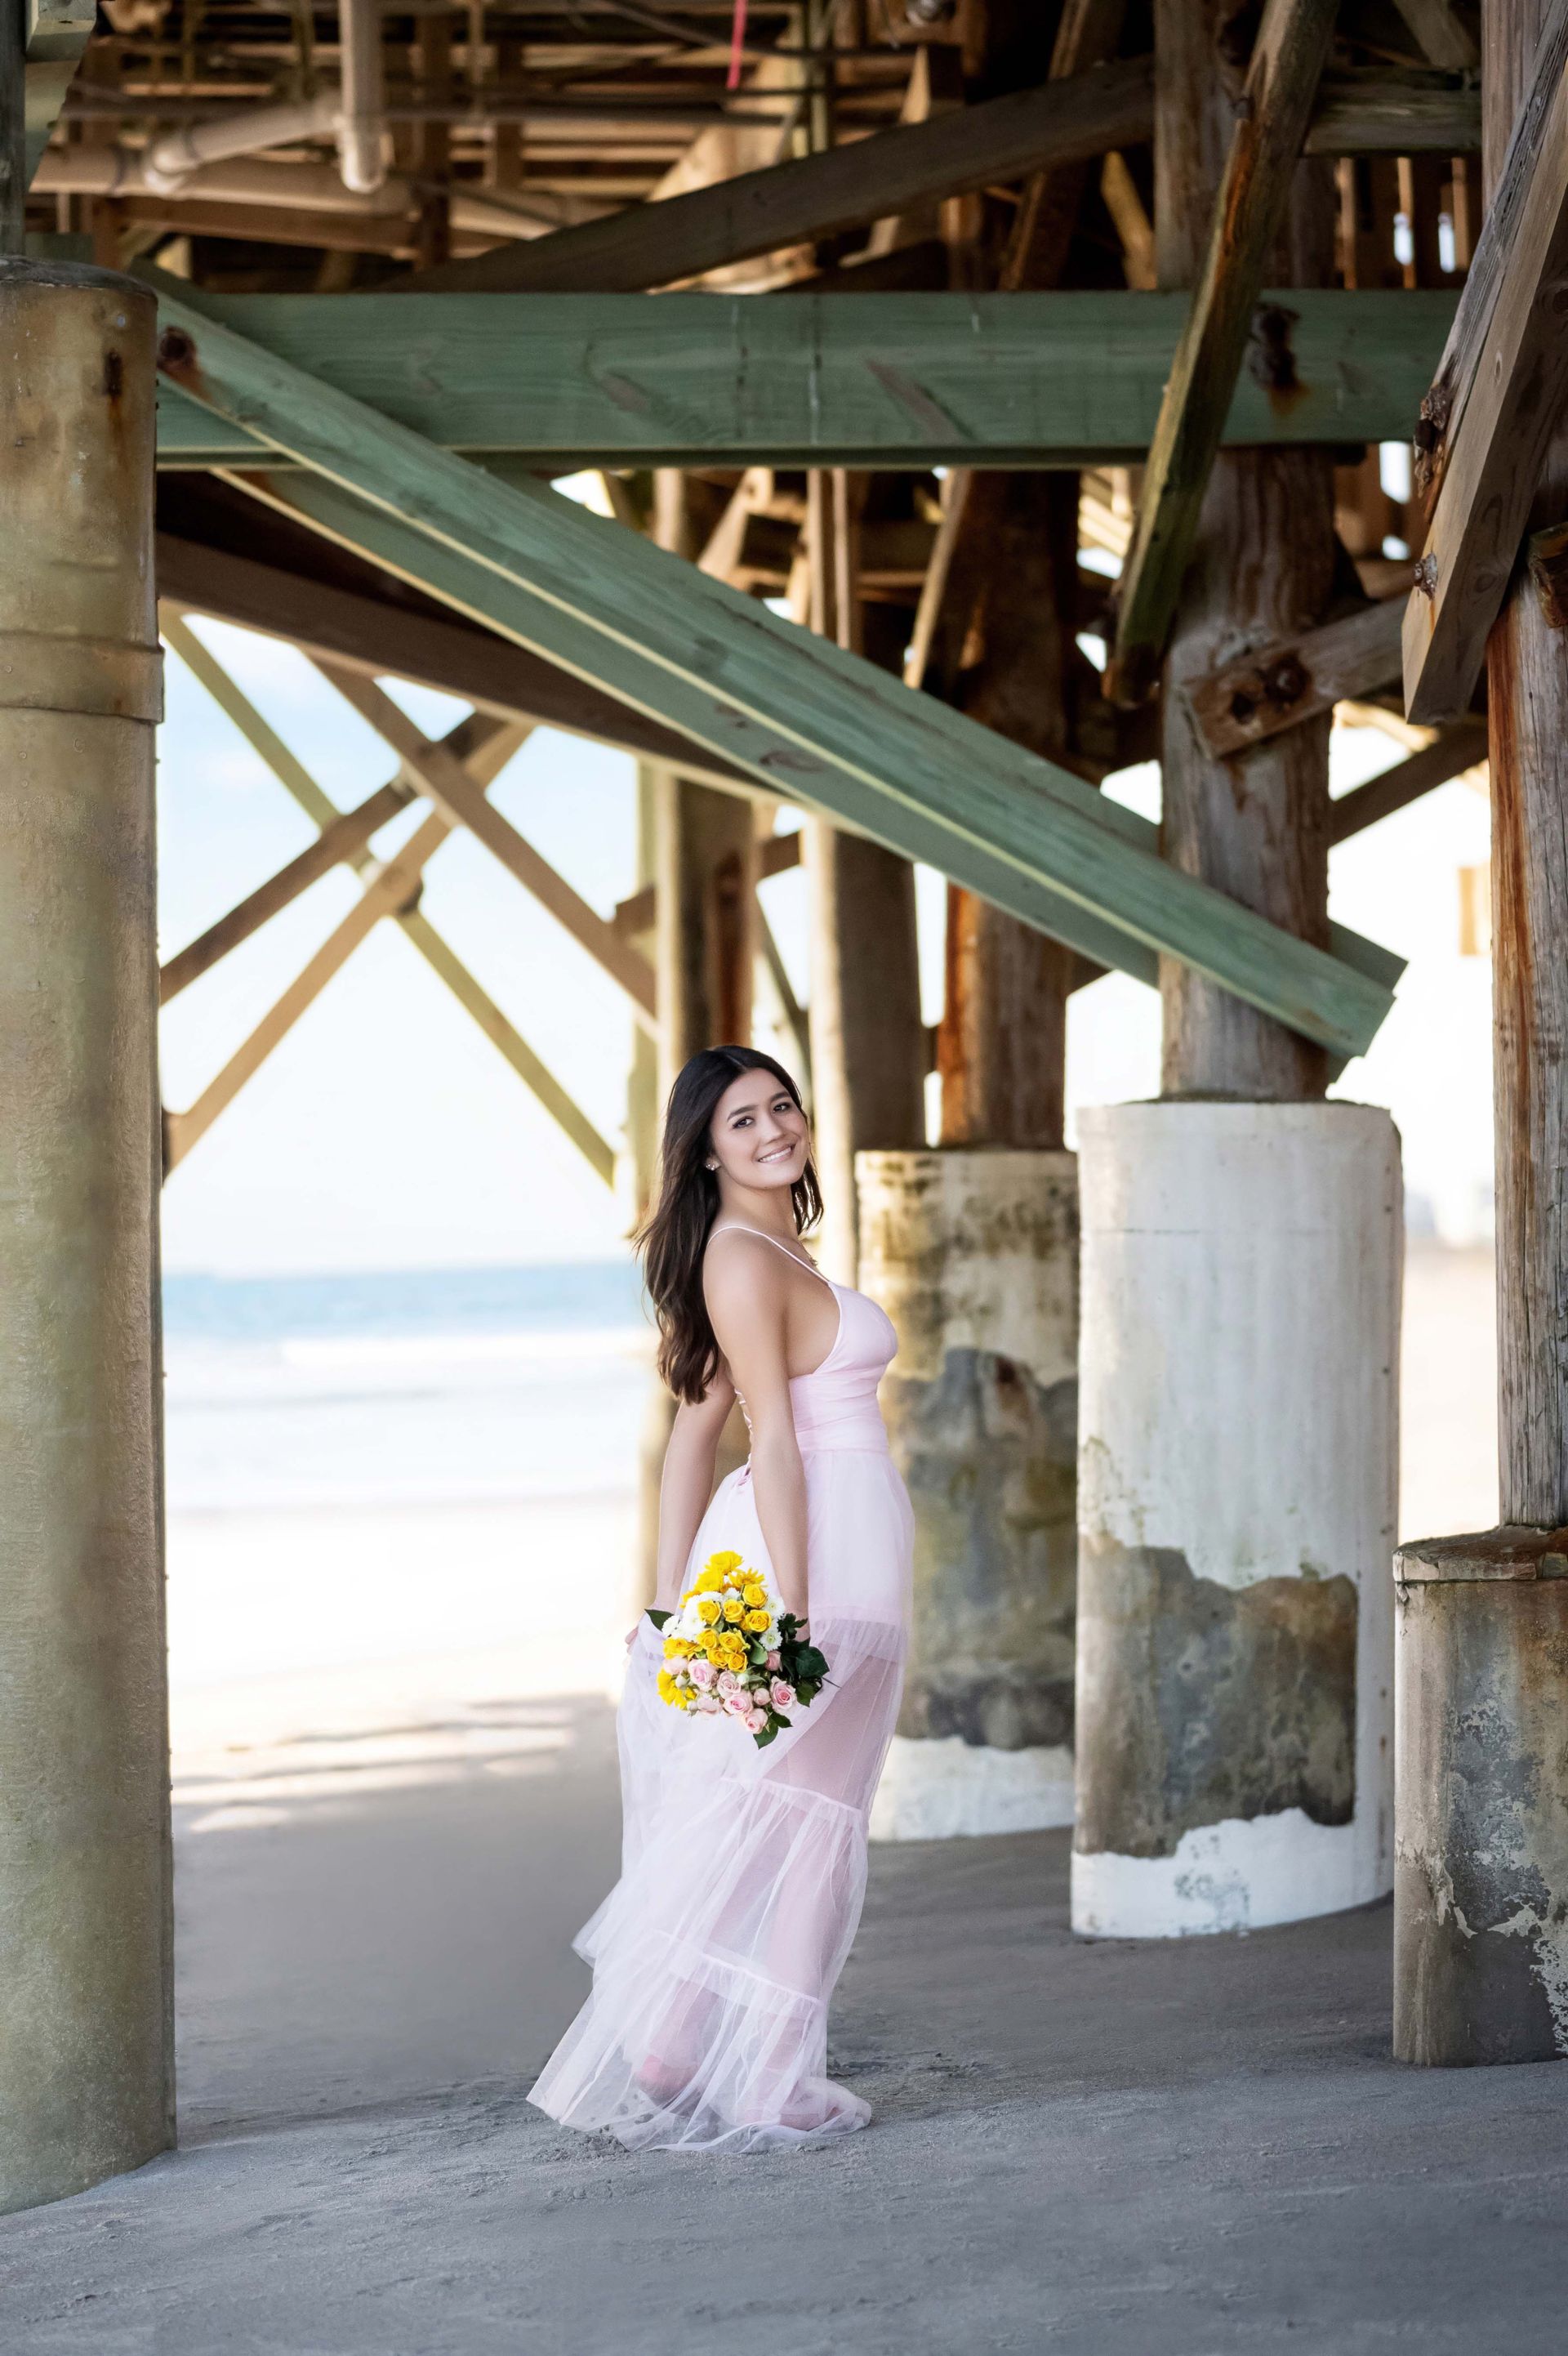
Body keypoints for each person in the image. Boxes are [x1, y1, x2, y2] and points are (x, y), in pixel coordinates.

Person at [529, 1045, 913, 2153]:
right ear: (703, 1149)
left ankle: (680, 2038)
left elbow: (692, 1433)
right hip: (811, 1559)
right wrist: (790, 1609)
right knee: (801, 1813)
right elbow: (773, 1443)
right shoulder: (745, 1262)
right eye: (741, 1120)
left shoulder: (760, 1250)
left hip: (800, 1554)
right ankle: (761, 2074)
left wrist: (667, 1609)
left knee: (773, 1806)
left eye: (781, 1106)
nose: (772, 1129)